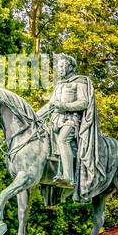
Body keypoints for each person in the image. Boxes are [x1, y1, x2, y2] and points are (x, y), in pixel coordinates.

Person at [36, 53, 101, 201]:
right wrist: (34, 117)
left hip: (72, 121)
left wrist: (64, 106)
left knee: (62, 140)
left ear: (70, 66)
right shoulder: (59, 85)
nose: (59, 69)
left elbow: (84, 103)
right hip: (56, 121)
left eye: (61, 66)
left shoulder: (80, 82)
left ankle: (68, 177)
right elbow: (50, 105)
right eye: (58, 66)